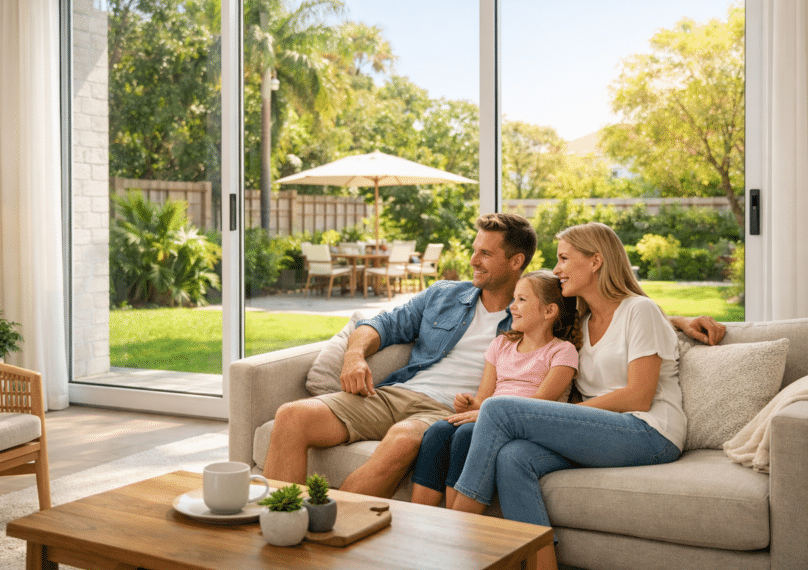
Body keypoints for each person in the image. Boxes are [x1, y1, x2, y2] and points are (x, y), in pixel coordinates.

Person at [262, 215, 725, 498]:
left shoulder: (546, 306)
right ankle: (285, 525)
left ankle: (328, 525)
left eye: (485, 253)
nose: (473, 260)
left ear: (517, 261)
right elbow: (382, 324)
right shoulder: (444, 295)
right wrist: (354, 356)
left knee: (406, 438)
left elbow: (618, 307)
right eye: (474, 249)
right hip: (397, 391)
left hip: (452, 409)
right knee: (290, 417)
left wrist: (679, 322)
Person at [451, 222, 703, 570]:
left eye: (565, 259)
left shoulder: (639, 311)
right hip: (601, 432)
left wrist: (572, 413)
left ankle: (449, 542)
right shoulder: (582, 323)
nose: (557, 270)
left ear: (596, 261)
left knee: (497, 410)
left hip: (649, 432)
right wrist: (680, 320)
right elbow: (541, 327)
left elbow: (638, 396)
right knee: (513, 457)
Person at [410, 270, 580, 509]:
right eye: (514, 299)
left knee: (466, 435)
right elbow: (483, 398)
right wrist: (470, 404)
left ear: (549, 311)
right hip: (490, 417)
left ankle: (451, 519)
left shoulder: (562, 352)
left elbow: (538, 405)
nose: (512, 306)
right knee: (438, 431)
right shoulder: (501, 345)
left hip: (526, 425)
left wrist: (486, 414)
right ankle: (417, 514)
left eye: (522, 299)